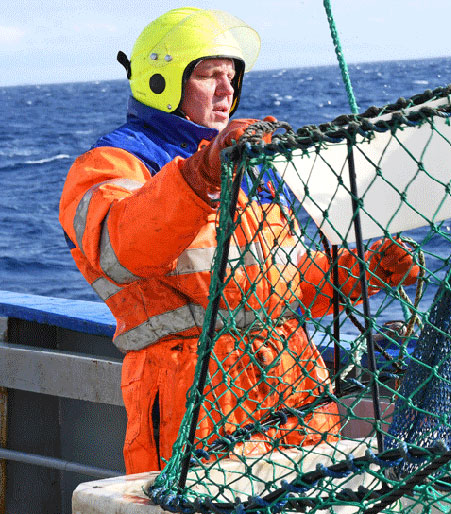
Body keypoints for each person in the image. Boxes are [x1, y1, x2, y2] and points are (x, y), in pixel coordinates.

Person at [58, 7, 419, 474]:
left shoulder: (251, 162)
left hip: (297, 393)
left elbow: (283, 282)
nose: (228, 90)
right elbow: (122, 251)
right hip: (194, 398)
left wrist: (362, 271)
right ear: (161, 82)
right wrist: (199, 174)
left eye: (232, 77)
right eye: (210, 76)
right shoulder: (112, 164)